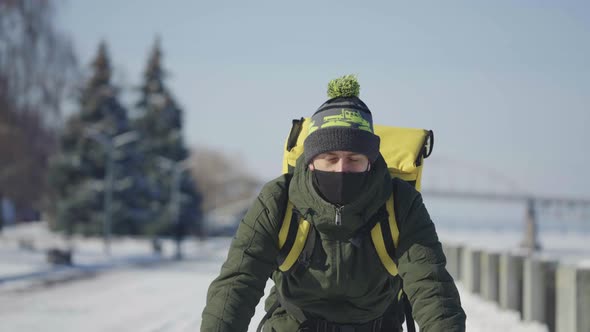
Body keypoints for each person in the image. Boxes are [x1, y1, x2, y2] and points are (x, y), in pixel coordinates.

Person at [201, 75, 466, 332]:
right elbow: (238, 282)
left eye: (354, 159)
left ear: (370, 161)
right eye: (330, 158)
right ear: (311, 160)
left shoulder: (400, 203)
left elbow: (431, 288)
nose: (341, 169)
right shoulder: (279, 200)